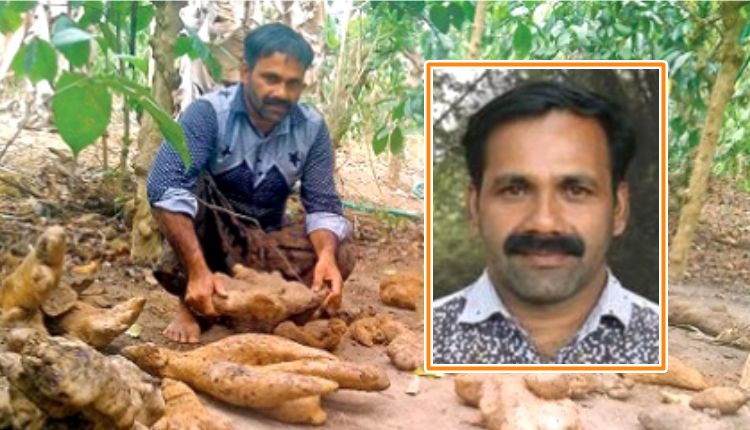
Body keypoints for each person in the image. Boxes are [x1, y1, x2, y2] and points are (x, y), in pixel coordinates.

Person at [146, 23, 355, 343]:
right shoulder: (208, 114)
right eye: (270, 79)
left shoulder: (312, 128)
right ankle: (193, 301)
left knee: (340, 247)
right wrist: (197, 268)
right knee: (182, 196)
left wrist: (326, 256)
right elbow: (165, 184)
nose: (281, 93)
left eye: (293, 84)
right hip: (210, 240)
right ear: (246, 72)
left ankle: (267, 307)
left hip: (266, 240)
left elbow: (323, 203)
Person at [432, 80, 659, 364]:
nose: (544, 222)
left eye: (576, 190)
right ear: (475, 208)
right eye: (515, 190)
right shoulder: (426, 337)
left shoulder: (663, 345)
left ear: (619, 209)